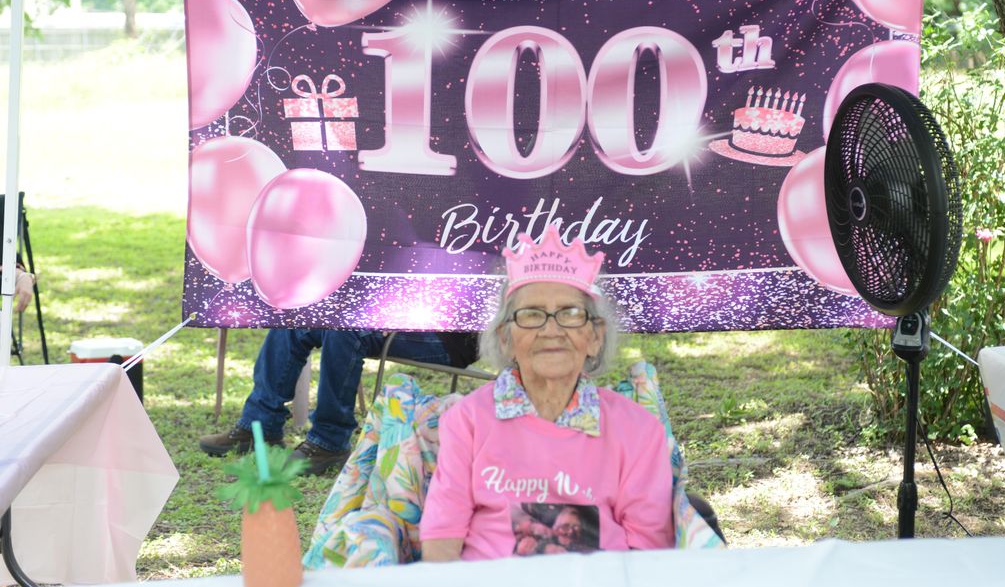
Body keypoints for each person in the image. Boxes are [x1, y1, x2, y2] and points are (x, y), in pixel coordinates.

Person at [419, 226, 674, 561]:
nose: (551, 330)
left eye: (570, 313)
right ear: (506, 338)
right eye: (531, 314)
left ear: (595, 336)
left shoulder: (639, 431)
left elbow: (651, 555)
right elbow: (442, 541)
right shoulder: (466, 421)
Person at [200, 327, 477, 475]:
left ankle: (329, 442)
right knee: (296, 319)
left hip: (446, 333)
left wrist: (402, 311)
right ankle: (259, 426)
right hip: (383, 310)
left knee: (345, 332)